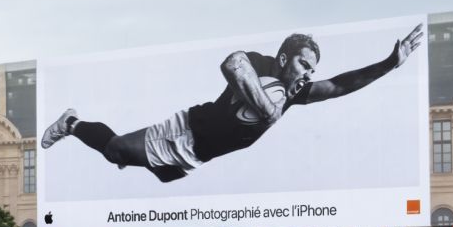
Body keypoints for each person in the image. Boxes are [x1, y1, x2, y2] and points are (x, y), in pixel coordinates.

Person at [41, 26, 425, 182]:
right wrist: (267, 108)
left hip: (198, 154)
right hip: (188, 129)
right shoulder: (259, 63)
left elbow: (341, 85)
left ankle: (128, 152)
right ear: (283, 58)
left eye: (311, 68)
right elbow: (232, 64)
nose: (307, 73)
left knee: (146, 166)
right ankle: (72, 123)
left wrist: (390, 63)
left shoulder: (296, 93)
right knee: (115, 150)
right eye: (303, 64)